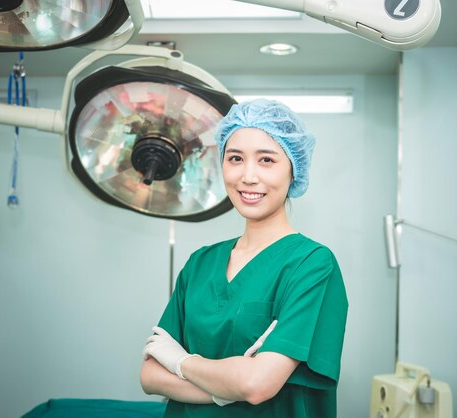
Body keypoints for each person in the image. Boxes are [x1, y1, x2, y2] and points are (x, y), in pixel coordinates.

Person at [140, 98, 348, 417]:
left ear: (294, 169)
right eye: (235, 158)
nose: (248, 176)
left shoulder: (312, 264)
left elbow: (256, 385)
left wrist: (180, 361)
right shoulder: (200, 263)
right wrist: (227, 386)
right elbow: (151, 375)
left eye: (266, 160)